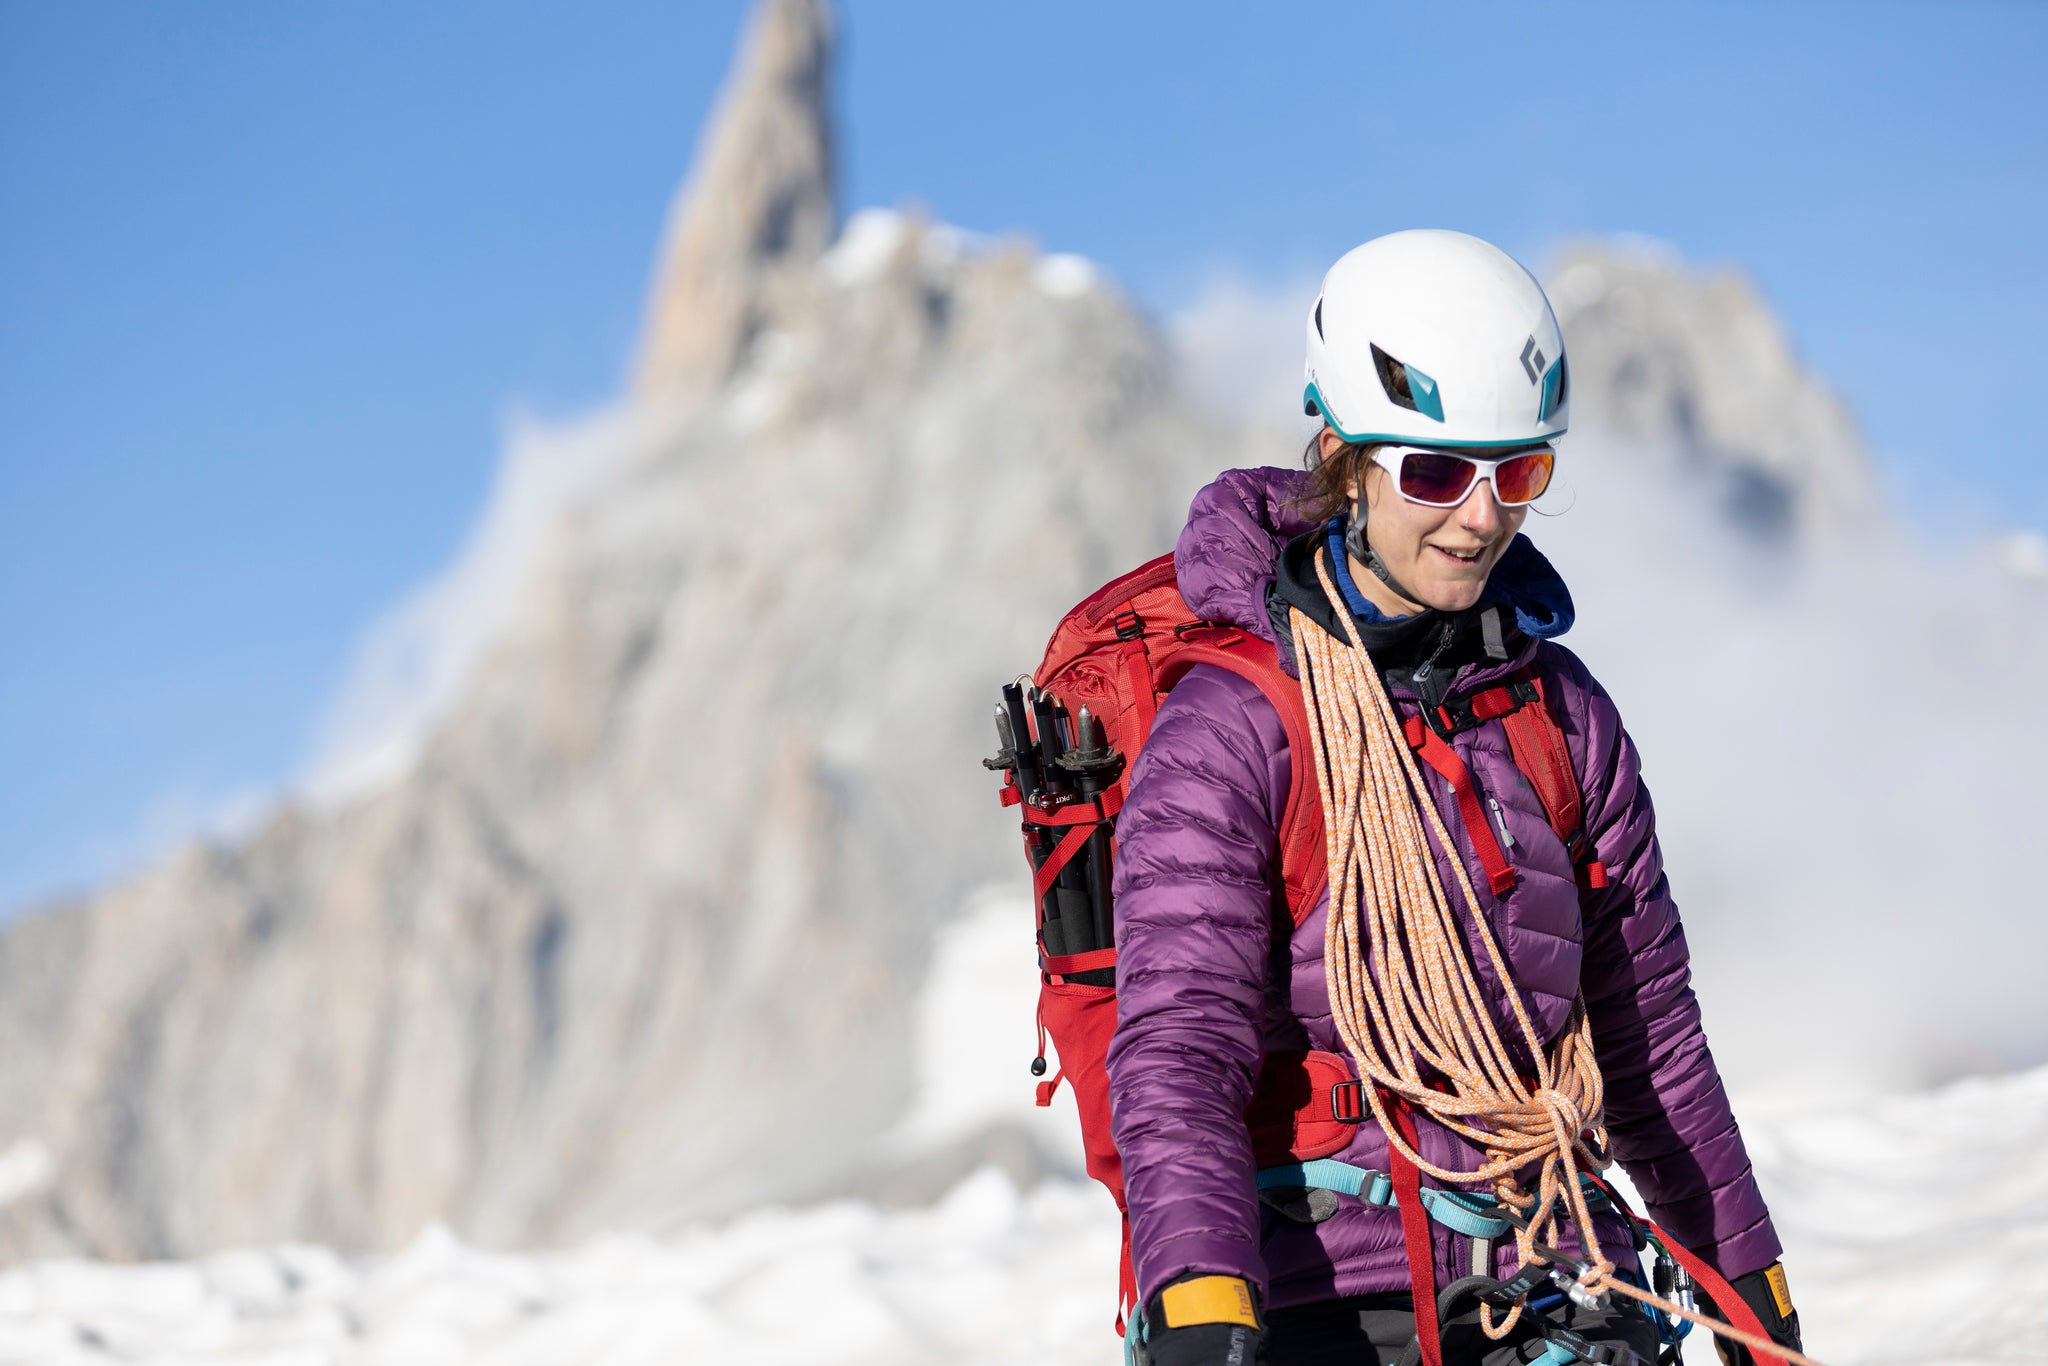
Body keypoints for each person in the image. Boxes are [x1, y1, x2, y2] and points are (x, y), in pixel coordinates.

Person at [1105, 230, 1805, 1366]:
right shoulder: (1235, 724)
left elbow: (1650, 1043)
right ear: (1343, 454)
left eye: (1515, 471)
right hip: (1330, 1294)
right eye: (1434, 472)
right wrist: (1199, 1307)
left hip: (1556, 1274)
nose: (1480, 516)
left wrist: (1750, 1298)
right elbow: (1181, 1047)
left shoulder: (1562, 716)